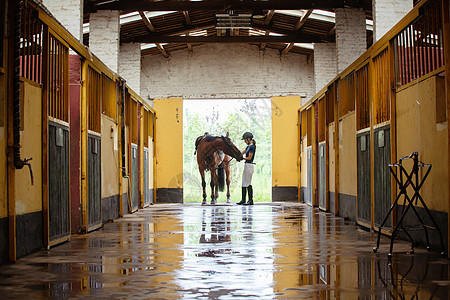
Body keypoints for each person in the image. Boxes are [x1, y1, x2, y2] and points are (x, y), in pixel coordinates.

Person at [237, 132, 256, 206]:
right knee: (243, 182)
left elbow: (249, 157)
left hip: (249, 166)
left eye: (245, 140)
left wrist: (242, 158)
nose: (244, 141)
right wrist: (237, 155)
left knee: (248, 183)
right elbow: (241, 153)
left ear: (248, 139)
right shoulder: (248, 147)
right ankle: (243, 199)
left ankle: (250, 200)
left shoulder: (252, 147)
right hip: (246, 165)